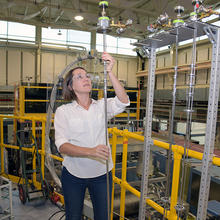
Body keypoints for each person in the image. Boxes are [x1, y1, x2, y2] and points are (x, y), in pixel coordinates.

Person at [54, 52, 130, 220]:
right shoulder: (63, 112)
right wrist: (90, 151)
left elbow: (123, 101)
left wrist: (110, 72)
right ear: (71, 86)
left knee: (103, 216)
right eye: (80, 76)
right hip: (74, 174)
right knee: (73, 216)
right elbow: (62, 145)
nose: (86, 78)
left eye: (87, 76)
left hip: (102, 174)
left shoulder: (101, 106)